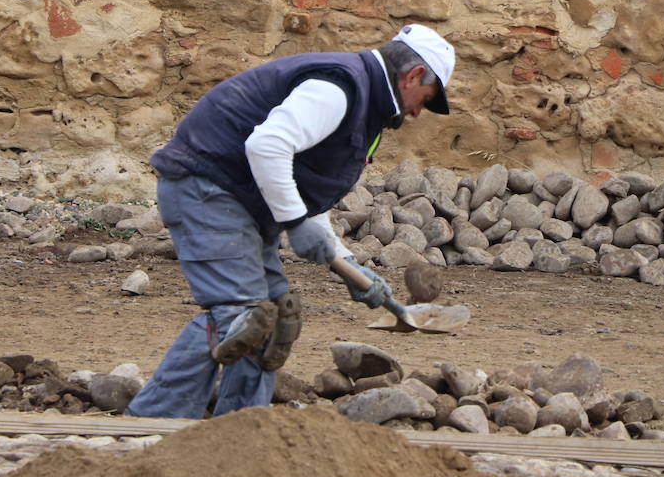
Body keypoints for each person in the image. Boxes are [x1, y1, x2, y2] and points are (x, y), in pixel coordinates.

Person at [125, 24, 455, 419]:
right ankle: (152, 423)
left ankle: (242, 430)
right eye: (425, 99)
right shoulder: (340, 86)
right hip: (208, 188)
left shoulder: (364, 102)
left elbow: (303, 186)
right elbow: (267, 146)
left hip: (243, 201)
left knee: (276, 318)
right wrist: (295, 221)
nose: (418, 111)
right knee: (242, 316)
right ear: (413, 76)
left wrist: (347, 263)